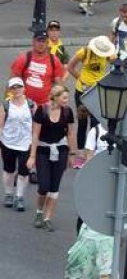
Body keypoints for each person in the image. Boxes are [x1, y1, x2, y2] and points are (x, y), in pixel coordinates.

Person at [28, 85, 77, 232]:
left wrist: (72, 154)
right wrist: (32, 156)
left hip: (60, 150)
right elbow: (35, 134)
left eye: (67, 98)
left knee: (54, 188)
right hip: (43, 150)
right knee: (44, 185)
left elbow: (70, 134)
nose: (67, 101)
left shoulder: (67, 112)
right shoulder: (41, 111)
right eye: (64, 98)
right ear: (55, 97)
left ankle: (48, 218)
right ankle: (39, 212)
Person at [66, 36, 115, 150]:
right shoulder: (84, 52)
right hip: (82, 91)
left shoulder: (108, 54)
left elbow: (117, 63)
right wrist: (80, 79)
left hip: (97, 91)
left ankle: (92, 149)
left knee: (95, 123)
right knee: (82, 122)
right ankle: (80, 150)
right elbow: (70, 67)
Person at [1, 77, 34, 212]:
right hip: (8, 142)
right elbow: (1, 125)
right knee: (9, 170)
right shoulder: (5, 105)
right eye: (13, 87)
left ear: (24, 88)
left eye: (19, 87)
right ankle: (9, 194)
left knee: (23, 172)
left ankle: (19, 197)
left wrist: (34, 142)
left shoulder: (31, 105)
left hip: (26, 143)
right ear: (10, 90)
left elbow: (36, 124)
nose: (17, 90)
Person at [11, 29, 66, 107]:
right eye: (38, 41)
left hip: (45, 106)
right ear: (33, 42)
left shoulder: (54, 61)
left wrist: (58, 104)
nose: (41, 44)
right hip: (25, 105)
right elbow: (12, 82)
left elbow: (59, 86)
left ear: (47, 43)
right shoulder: (23, 58)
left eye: (43, 41)